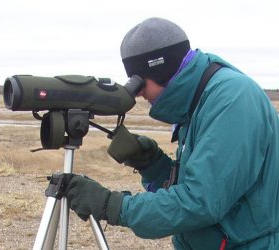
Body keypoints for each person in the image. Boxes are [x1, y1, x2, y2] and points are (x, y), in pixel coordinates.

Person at [62, 17, 279, 249]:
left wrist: (113, 206)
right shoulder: (199, 100)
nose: (139, 93)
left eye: (139, 82)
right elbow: (203, 184)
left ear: (162, 70)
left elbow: (200, 202)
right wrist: (153, 165)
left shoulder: (232, 100)